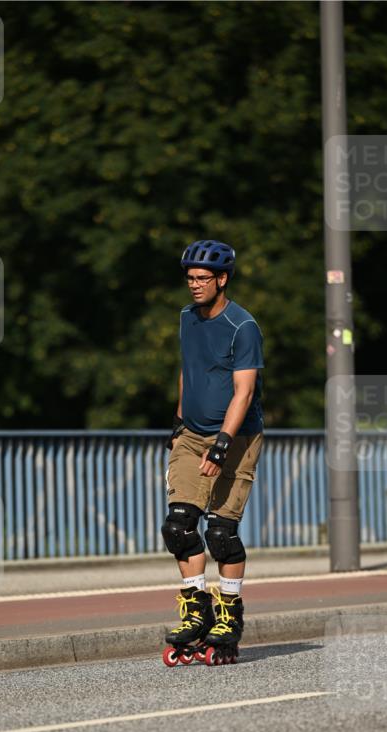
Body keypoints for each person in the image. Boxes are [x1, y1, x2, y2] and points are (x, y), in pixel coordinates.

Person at [162, 239, 264, 662]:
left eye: (203, 278)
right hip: (191, 434)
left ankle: (228, 616)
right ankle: (195, 611)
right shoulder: (187, 317)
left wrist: (221, 445)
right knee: (179, 527)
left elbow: (244, 392)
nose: (195, 285)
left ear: (222, 279)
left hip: (236, 439)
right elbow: (189, 371)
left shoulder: (243, 327)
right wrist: (178, 423)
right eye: (190, 278)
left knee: (220, 533)